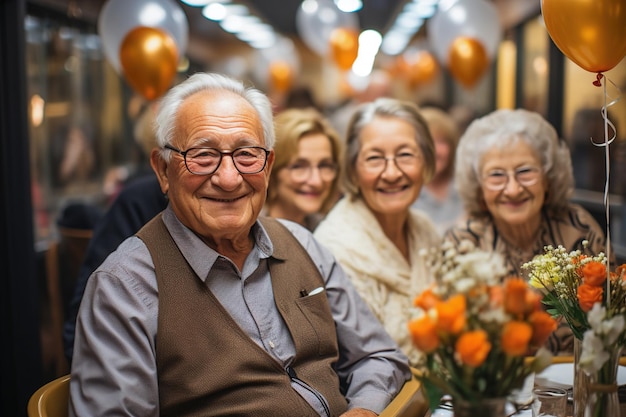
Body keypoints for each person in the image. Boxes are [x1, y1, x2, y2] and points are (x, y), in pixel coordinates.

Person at [69, 72, 411, 417]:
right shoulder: (124, 287)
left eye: (247, 154)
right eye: (203, 155)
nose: (229, 178)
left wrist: (364, 410)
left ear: (268, 164)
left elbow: (378, 356)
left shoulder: (301, 243)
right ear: (162, 169)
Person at [443, 108, 608, 353]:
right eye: (496, 175)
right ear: (479, 187)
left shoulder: (578, 228)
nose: (513, 189)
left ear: (548, 177)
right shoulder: (464, 242)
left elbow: (610, 321)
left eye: (525, 172)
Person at [314, 98, 441, 364]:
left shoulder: (425, 230)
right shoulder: (334, 249)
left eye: (405, 155)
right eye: (374, 158)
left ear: (426, 162)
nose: (392, 173)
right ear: (353, 169)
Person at [265, 107, 342, 231]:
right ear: (271, 170)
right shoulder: (248, 237)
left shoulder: (328, 232)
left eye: (324, 165)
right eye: (299, 166)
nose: (316, 181)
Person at [411, 106, 465, 235]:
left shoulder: (465, 186)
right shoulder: (407, 192)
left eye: (442, 142)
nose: (436, 151)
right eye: (429, 142)